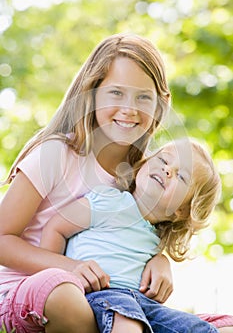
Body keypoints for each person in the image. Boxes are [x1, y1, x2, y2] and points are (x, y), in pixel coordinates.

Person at [0, 33, 173, 333]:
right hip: (30, 290)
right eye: (116, 93)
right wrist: (69, 269)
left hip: (111, 299)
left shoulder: (144, 175)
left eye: (143, 97)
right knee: (66, 295)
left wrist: (160, 259)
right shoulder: (55, 154)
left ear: (160, 104)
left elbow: (138, 236)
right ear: (91, 93)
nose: (130, 109)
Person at [40, 137, 233, 333]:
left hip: (144, 306)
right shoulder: (109, 201)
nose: (167, 170)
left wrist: (161, 259)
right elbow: (55, 228)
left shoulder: (157, 238)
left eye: (181, 177)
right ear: (144, 164)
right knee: (129, 325)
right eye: (164, 160)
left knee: (202, 329)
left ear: (182, 210)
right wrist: (52, 279)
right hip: (103, 294)